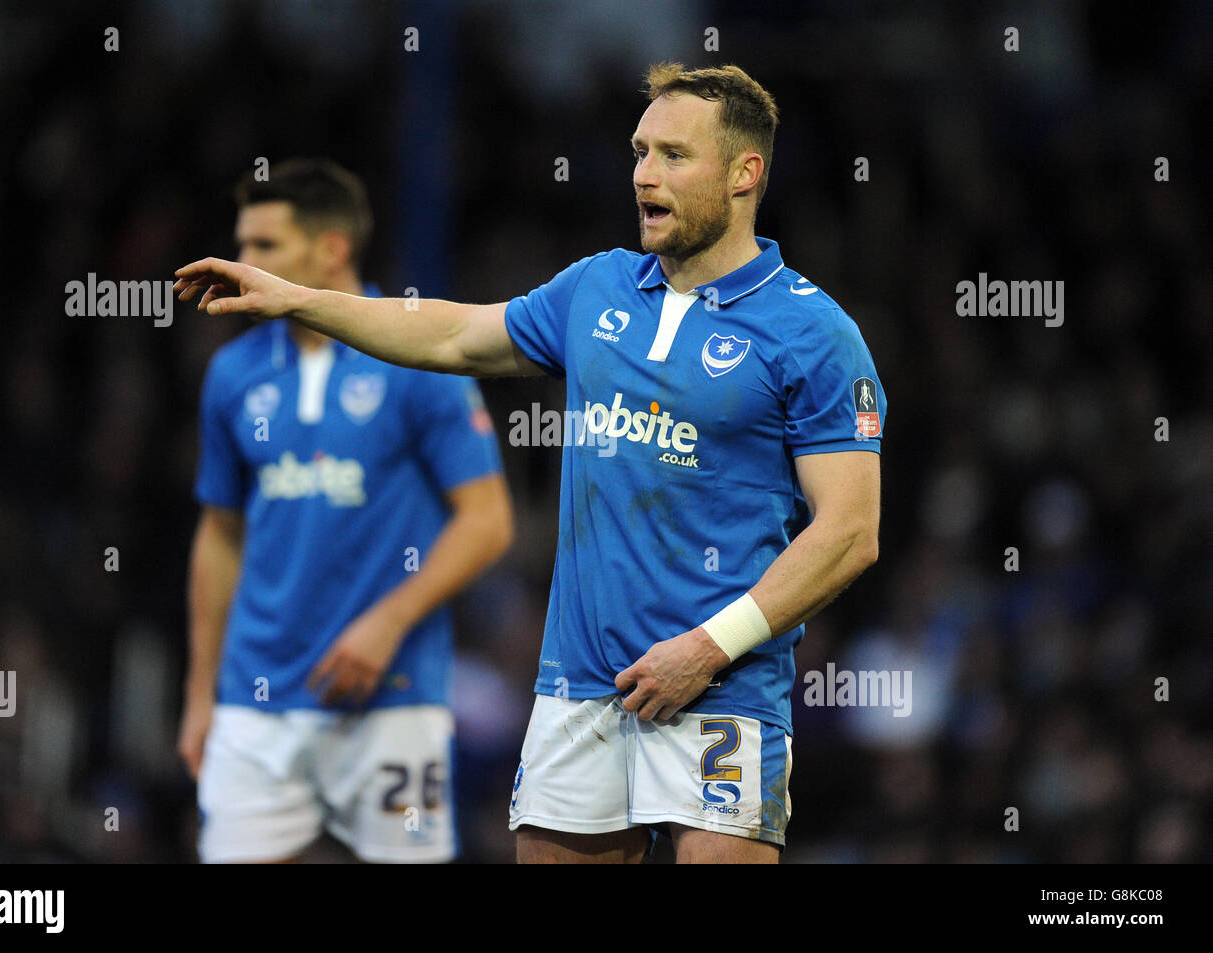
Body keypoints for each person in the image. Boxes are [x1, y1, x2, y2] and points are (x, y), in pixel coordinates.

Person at [175, 63, 884, 864]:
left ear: (744, 173)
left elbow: (851, 532)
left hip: (723, 692)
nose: (645, 174)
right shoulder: (598, 288)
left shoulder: (813, 333)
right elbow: (449, 334)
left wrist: (708, 648)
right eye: (639, 151)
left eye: (674, 156)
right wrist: (299, 298)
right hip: (581, 687)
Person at [176, 158, 513, 863]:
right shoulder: (234, 374)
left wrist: (388, 620)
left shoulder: (416, 357)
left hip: (391, 698)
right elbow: (219, 536)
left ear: (331, 248)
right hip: (256, 700)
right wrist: (200, 692)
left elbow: (488, 520)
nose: (244, 263)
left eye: (265, 246)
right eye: (243, 243)